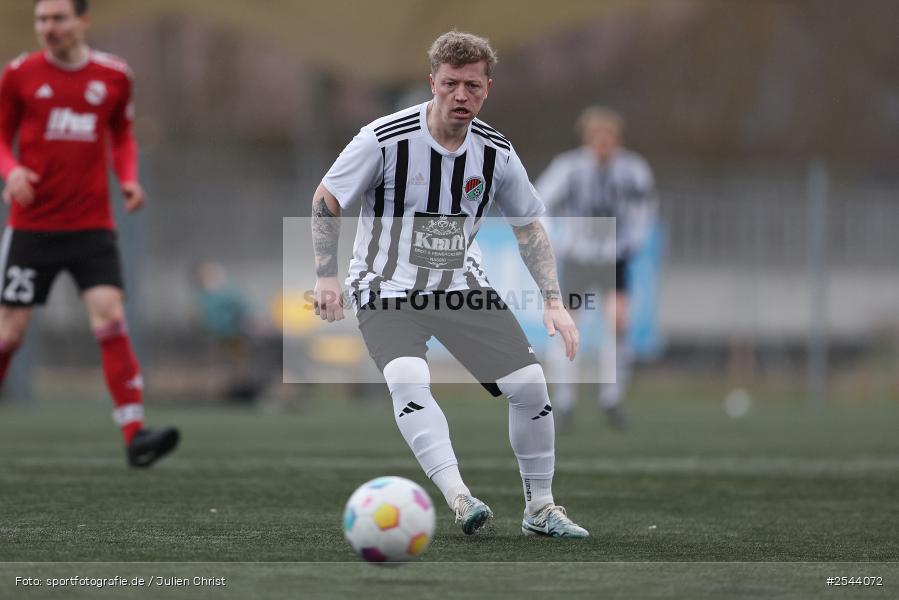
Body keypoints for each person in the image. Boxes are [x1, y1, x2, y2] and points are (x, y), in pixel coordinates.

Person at [311, 31, 588, 538]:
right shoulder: (383, 138)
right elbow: (327, 198)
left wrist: (553, 299)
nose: (462, 96)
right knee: (408, 379)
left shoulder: (496, 153)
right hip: (385, 288)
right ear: (432, 82)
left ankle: (541, 509)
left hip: (459, 286)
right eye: (452, 84)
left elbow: (528, 226)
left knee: (530, 388)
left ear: (488, 88)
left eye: (474, 87)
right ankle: (460, 498)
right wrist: (326, 275)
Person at [0, 0, 178, 467]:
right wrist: (12, 170)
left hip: (91, 226)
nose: (48, 27)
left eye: (58, 18)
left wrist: (129, 178)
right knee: (9, 331)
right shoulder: (18, 74)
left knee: (109, 314)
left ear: (83, 21)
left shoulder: (115, 76)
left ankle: (136, 435)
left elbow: (121, 135)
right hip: (31, 227)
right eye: (41, 19)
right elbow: (1, 137)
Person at [536, 106, 658, 430]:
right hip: (579, 257)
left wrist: (634, 241)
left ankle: (612, 399)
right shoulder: (569, 167)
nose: (604, 142)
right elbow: (539, 201)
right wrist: (554, 239)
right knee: (567, 328)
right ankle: (564, 403)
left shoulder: (633, 169)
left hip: (614, 257)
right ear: (586, 138)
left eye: (610, 136)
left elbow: (645, 210)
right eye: (597, 136)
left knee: (618, 323)